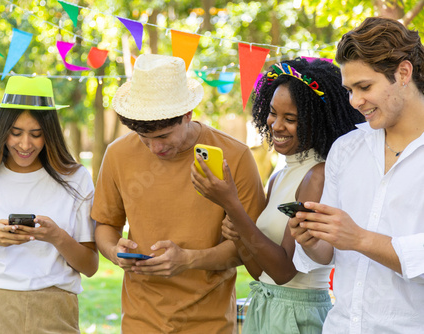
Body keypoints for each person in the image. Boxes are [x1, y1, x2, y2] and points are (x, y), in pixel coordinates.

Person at [91, 53, 266, 333]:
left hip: (210, 324)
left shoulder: (235, 157)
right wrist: (114, 251)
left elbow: (250, 248)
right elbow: (106, 225)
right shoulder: (117, 154)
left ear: (187, 115)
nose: (154, 148)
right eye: (143, 138)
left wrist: (188, 260)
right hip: (139, 322)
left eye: (162, 136)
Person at [191, 57, 365, 333]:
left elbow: (285, 272)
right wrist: (238, 232)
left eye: (291, 119)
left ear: (317, 121)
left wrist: (232, 205)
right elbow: (262, 272)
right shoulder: (279, 175)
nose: (276, 125)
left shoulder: (317, 175)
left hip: (298, 314)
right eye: (272, 113)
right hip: (266, 306)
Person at [289, 17, 424, 333]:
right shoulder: (346, 149)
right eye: (349, 90)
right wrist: (310, 238)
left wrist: (360, 238)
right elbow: (328, 254)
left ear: (404, 73)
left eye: (365, 87)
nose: (354, 101)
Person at [0, 76, 98, 333]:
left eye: (36, 134)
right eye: (15, 133)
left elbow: (90, 266)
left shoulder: (77, 179)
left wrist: (57, 237)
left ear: (50, 135)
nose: (25, 144)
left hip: (55, 310)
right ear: (2, 132)